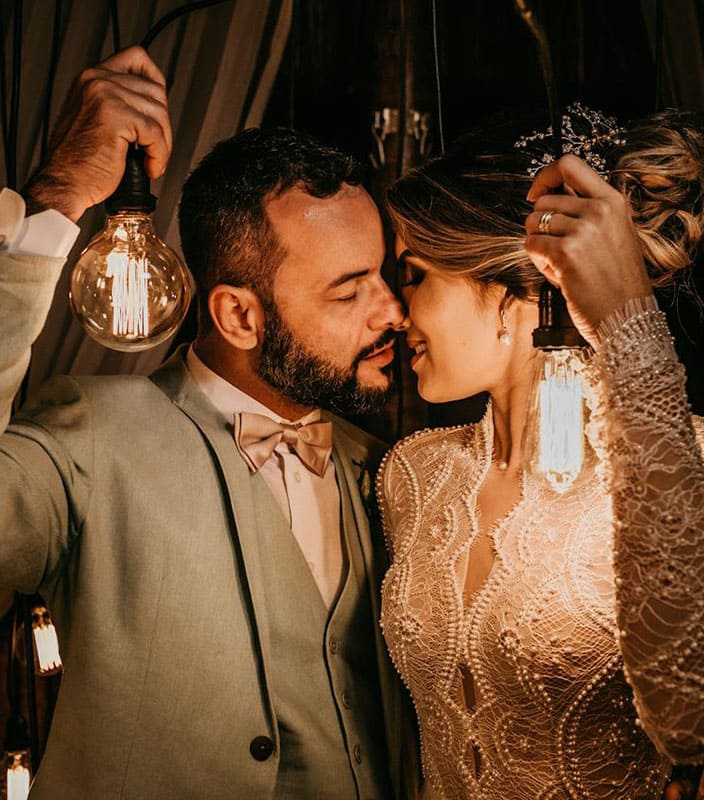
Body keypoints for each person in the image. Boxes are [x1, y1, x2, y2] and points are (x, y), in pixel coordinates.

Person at [0, 46, 418, 799]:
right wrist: (56, 198)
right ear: (238, 315)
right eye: (349, 290)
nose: (393, 311)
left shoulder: (389, 472)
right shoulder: (90, 436)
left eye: (383, 274)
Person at [377, 105, 704, 799]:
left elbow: (701, 720)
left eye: (414, 275)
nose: (394, 310)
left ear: (514, 287)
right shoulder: (415, 475)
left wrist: (630, 330)